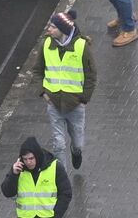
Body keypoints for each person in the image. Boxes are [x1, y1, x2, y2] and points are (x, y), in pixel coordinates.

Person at [40, 11, 95, 170]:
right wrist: (43, 92)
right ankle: (61, 176)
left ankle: (76, 152)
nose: (49, 29)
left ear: (63, 30)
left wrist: (84, 99)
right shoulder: (46, 44)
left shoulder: (81, 46)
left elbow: (91, 74)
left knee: (77, 142)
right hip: (54, 104)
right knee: (58, 143)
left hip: (75, 106)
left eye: (53, 26)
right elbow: (37, 70)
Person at [2, 137, 71, 217]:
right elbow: (7, 193)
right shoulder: (18, 169)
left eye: (31, 158)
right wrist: (13, 175)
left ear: (37, 156)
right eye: (25, 159)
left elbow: (66, 193)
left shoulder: (55, 167)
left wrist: (57, 215)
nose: (28, 162)